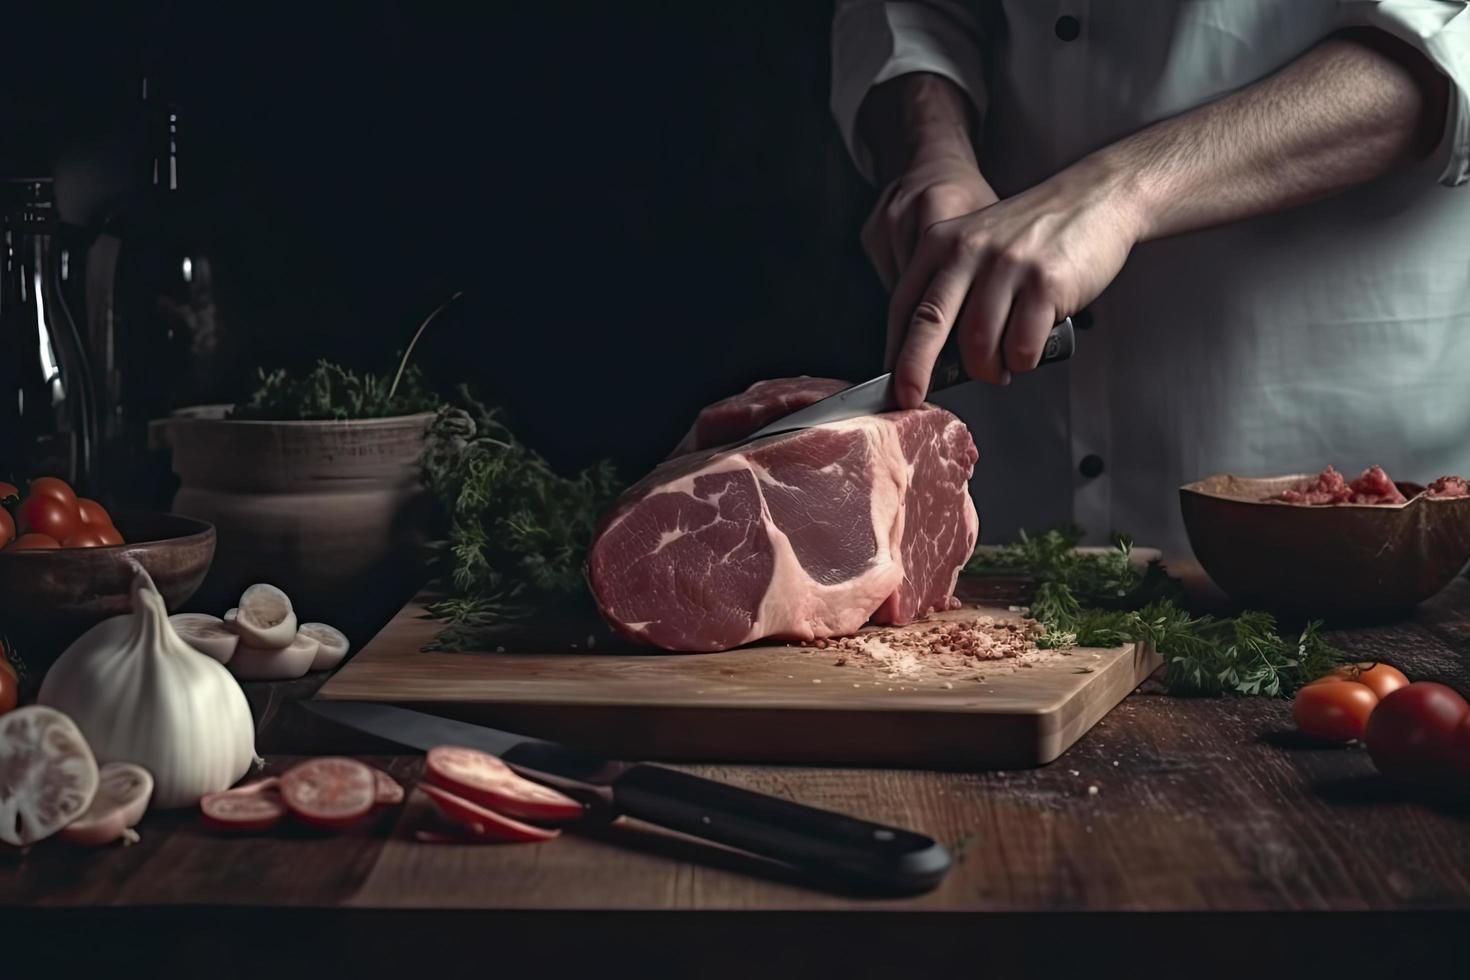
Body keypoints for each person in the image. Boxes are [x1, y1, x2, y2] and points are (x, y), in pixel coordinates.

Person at [831, 1, 1470, 557]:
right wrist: (932, 150)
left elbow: (1451, 34)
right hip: (1012, 483)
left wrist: (1119, 192)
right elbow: (906, 9)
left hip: (1350, 497)